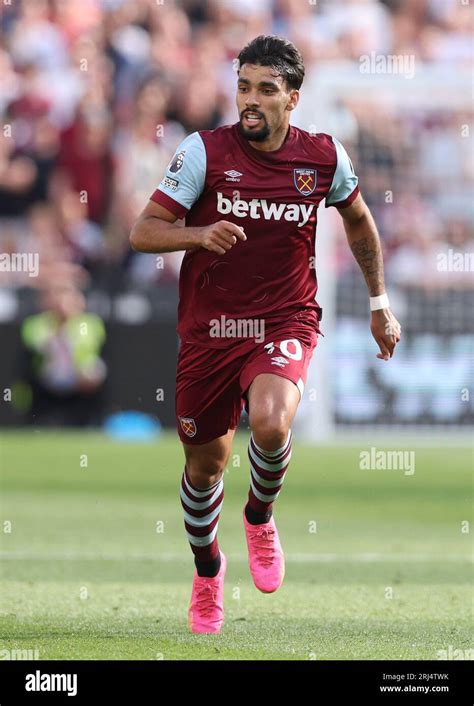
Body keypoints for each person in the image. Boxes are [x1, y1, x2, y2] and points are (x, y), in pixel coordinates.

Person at [130, 35, 401, 634]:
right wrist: (198, 236)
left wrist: (379, 303)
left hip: (284, 318)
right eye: (244, 87)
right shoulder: (203, 152)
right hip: (211, 330)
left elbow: (359, 221)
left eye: (266, 90)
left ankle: (258, 516)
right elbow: (144, 232)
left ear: (293, 98)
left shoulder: (324, 158)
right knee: (205, 469)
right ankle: (207, 574)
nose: (250, 101)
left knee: (274, 422)